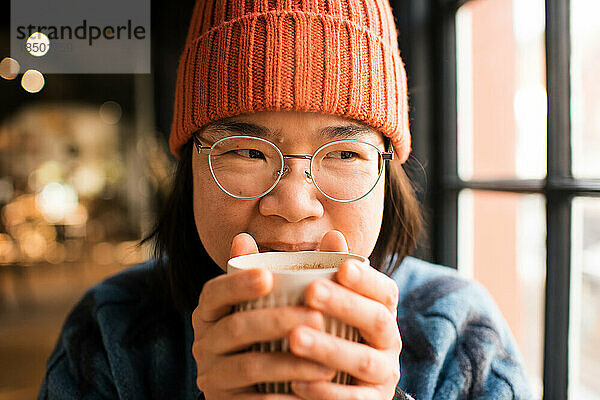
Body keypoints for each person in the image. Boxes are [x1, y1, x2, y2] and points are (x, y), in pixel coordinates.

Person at [38, 0, 534, 399]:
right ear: (189, 168)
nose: (295, 203)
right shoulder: (108, 331)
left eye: (343, 153)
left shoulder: (460, 332)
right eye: (248, 151)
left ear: (387, 174)